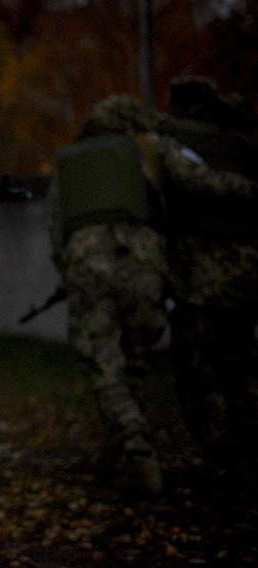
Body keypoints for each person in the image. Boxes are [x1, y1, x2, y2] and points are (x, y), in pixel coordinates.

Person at [48, 96, 169, 494]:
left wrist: (66, 270)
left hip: (89, 264)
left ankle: (134, 444)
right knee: (135, 361)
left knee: (104, 363)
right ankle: (118, 449)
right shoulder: (139, 155)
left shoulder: (67, 162)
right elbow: (160, 206)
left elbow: (57, 225)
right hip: (142, 262)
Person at [155, 77, 258, 491]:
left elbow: (188, 181)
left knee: (196, 366)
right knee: (240, 363)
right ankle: (245, 454)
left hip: (203, 275)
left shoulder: (176, 142)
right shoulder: (238, 141)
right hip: (244, 272)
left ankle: (227, 456)